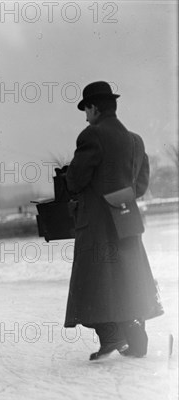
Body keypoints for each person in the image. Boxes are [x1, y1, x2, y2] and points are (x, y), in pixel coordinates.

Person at [64, 81, 164, 360]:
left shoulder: (91, 136)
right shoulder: (136, 140)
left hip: (97, 225)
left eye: (86, 109)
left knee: (97, 284)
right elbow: (141, 186)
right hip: (127, 219)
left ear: (95, 108)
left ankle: (111, 337)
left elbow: (75, 180)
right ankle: (133, 337)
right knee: (129, 278)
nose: (85, 116)